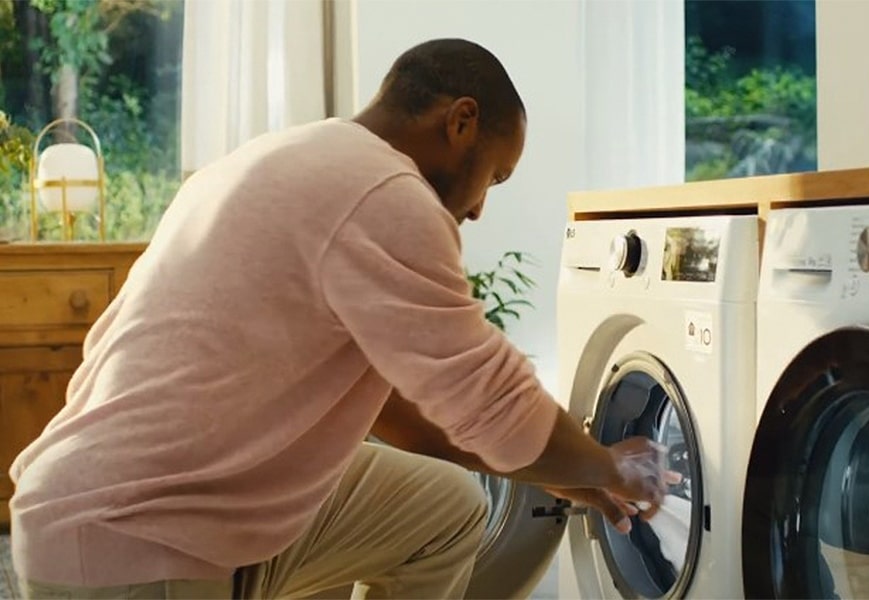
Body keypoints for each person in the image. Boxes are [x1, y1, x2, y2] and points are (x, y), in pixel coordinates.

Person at [8, 38, 673, 599]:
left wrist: (567, 472)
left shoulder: (284, 159)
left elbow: (408, 416)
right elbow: (491, 396)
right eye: (495, 177)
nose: (478, 210)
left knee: (444, 508)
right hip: (133, 537)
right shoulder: (385, 194)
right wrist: (615, 469)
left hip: (156, 505)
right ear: (460, 122)